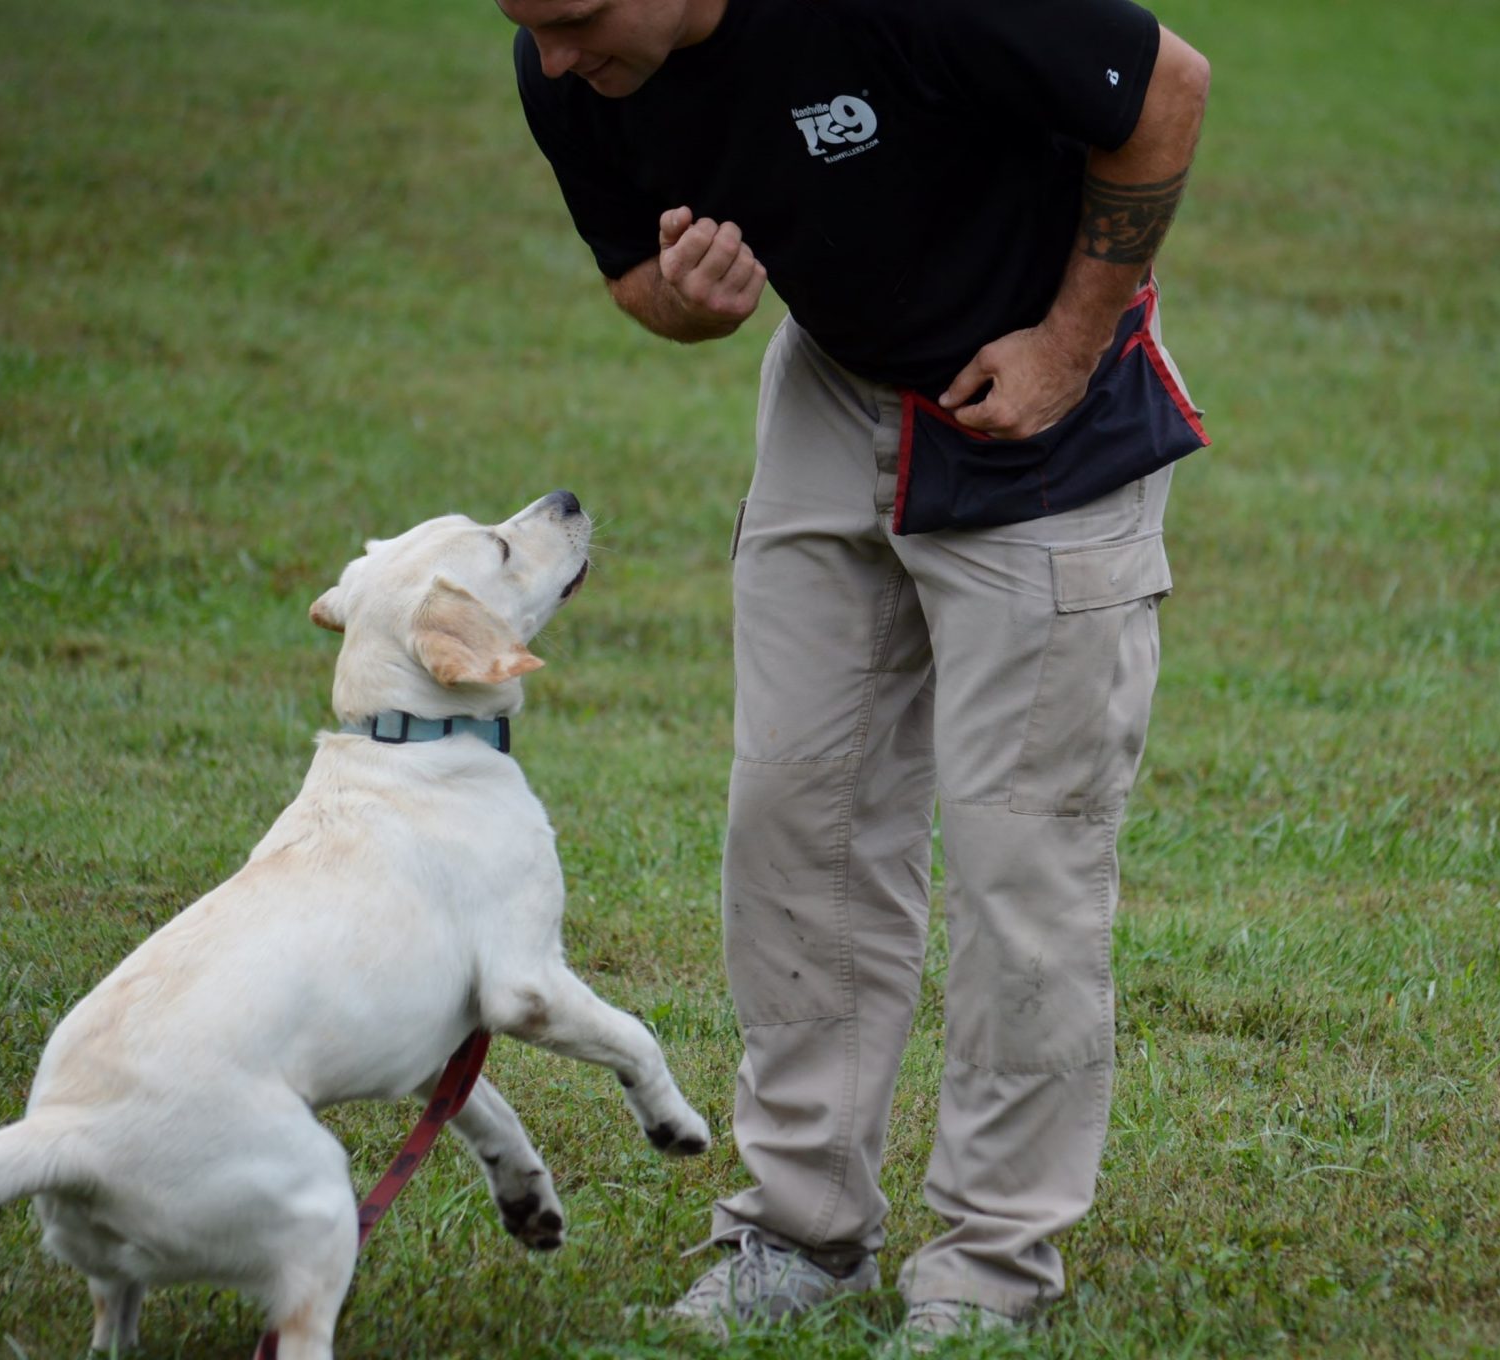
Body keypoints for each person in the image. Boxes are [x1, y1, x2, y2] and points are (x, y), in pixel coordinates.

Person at [499, 0, 1210, 1344]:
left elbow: (1164, 87)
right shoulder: (571, 63)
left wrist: (1066, 345)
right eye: (527, 25)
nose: (552, 59)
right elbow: (634, 281)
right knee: (796, 818)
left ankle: (990, 1274)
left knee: (1025, 864)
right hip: (837, 386)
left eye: (577, 20)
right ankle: (798, 1237)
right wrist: (687, 299)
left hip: (1042, 404)